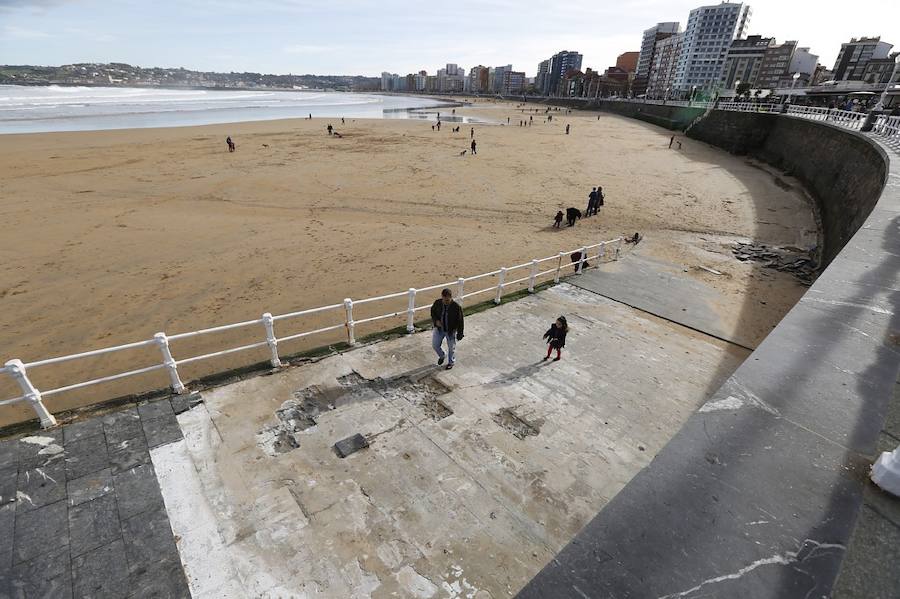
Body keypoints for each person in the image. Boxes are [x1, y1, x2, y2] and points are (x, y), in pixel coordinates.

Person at [431, 289, 464, 369]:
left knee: (451, 348)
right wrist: (436, 321)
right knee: (435, 345)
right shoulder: (437, 303)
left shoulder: (456, 307)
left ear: (450, 297)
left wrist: (460, 333)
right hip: (439, 329)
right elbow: (433, 312)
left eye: (447, 300)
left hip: (450, 331)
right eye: (444, 299)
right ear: (442, 297)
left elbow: (460, 321)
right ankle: (442, 355)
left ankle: (451, 362)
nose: (445, 301)